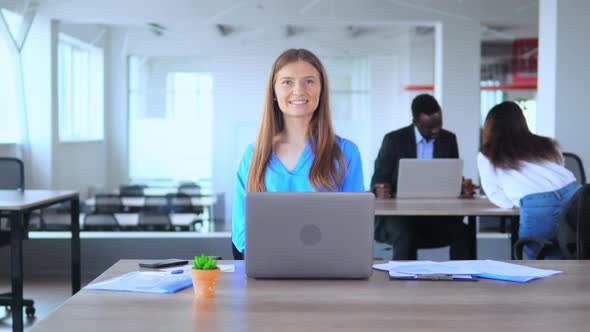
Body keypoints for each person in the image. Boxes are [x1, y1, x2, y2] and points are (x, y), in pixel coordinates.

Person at [231, 48, 365, 259]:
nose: (299, 90)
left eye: (309, 81)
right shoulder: (254, 154)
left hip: (328, 269)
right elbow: (241, 233)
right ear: (273, 92)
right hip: (269, 270)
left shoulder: (346, 153)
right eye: (287, 82)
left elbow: (355, 227)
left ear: (322, 90)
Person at [370, 94, 469, 260]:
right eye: (430, 127)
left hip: (436, 214)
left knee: (463, 232)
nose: (436, 130)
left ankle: (465, 280)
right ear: (416, 122)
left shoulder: (448, 139)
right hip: (400, 215)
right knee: (405, 233)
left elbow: (452, 176)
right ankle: (403, 282)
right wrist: (380, 189)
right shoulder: (394, 140)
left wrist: (462, 186)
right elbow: (378, 178)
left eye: (439, 125)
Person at [478, 101, 580, 259]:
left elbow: (495, 195)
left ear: (490, 127)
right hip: (574, 196)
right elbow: (559, 166)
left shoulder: (487, 153)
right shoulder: (546, 144)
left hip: (538, 204)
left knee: (538, 258)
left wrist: (517, 200)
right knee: (573, 250)